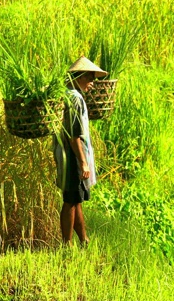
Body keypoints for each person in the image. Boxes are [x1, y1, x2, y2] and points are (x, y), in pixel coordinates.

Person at [53, 56, 107, 247]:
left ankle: (84, 241)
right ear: (80, 76)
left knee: (76, 200)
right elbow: (74, 135)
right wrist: (83, 161)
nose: (92, 83)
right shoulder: (74, 99)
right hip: (72, 156)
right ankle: (66, 246)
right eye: (90, 78)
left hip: (70, 155)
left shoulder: (70, 95)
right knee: (70, 200)